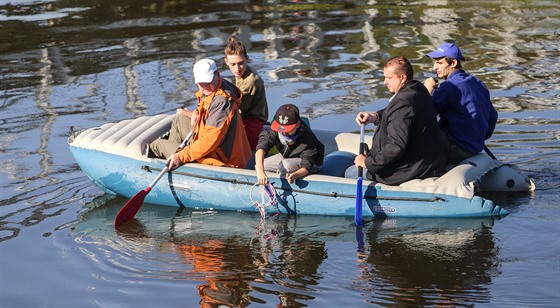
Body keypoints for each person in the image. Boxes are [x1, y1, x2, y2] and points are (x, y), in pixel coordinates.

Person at [351, 56, 446, 186]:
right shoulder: (418, 89)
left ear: (402, 78)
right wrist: (375, 116)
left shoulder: (402, 103)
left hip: (409, 169)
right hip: (424, 162)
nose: (385, 82)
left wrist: (367, 163)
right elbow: (397, 113)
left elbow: (396, 146)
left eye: (389, 78)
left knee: (349, 173)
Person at [148, 58, 252, 170]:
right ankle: (174, 164)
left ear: (217, 75)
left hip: (221, 159)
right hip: (211, 146)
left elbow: (209, 141)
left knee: (157, 145)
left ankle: (176, 161)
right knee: (179, 119)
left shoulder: (222, 102)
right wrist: (196, 113)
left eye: (208, 82)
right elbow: (206, 109)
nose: (204, 86)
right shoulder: (217, 87)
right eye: (200, 83)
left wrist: (181, 156)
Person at [424, 42, 498, 164]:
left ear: (453, 63)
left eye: (439, 62)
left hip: (456, 150)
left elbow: (423, 112)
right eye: (434, 62)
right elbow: (492, 116)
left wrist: (427, 91)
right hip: (475, 147)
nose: (434, 67)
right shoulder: (477, 82)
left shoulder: (449, 86)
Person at [255, 104, 324, 184]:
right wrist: (260, 171)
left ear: (297, 124)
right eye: (281, 129)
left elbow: (306, 166)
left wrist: (294, 175)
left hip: (310, 162)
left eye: (288, 130)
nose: (284, 132)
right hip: (286, 156)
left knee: (285, 165)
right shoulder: (276, 131)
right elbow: (262, 147)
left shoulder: (308, 139)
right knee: (260, 165)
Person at [224, 35, 269, 150]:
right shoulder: (245, 70)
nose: (237, 68)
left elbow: (239, 110)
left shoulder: (250, 82)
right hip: (251, 116)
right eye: (233, 64)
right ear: (226, 62)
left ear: (247, 59)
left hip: (252, 122)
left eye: (240, 63)